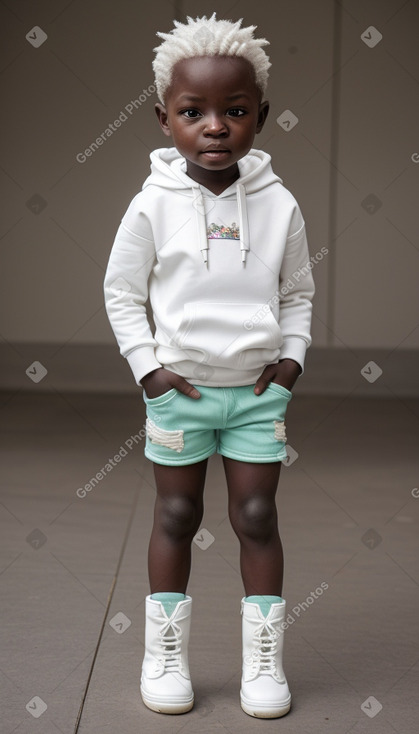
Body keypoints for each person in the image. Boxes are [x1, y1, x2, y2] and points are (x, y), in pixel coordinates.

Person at [104, 13, 315, 719]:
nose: (215, 127)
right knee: (176, 511)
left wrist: (290, 360)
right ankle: (163, 655)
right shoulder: (151, 205)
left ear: (261, 115)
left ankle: (263, 665)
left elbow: (297, 292)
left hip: (257, 395)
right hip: (179, 394)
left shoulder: (279, 205)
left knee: (256, 513)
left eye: (235, 111)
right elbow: (122, 293)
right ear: (164, 119)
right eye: (193, 112)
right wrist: (149, 371)